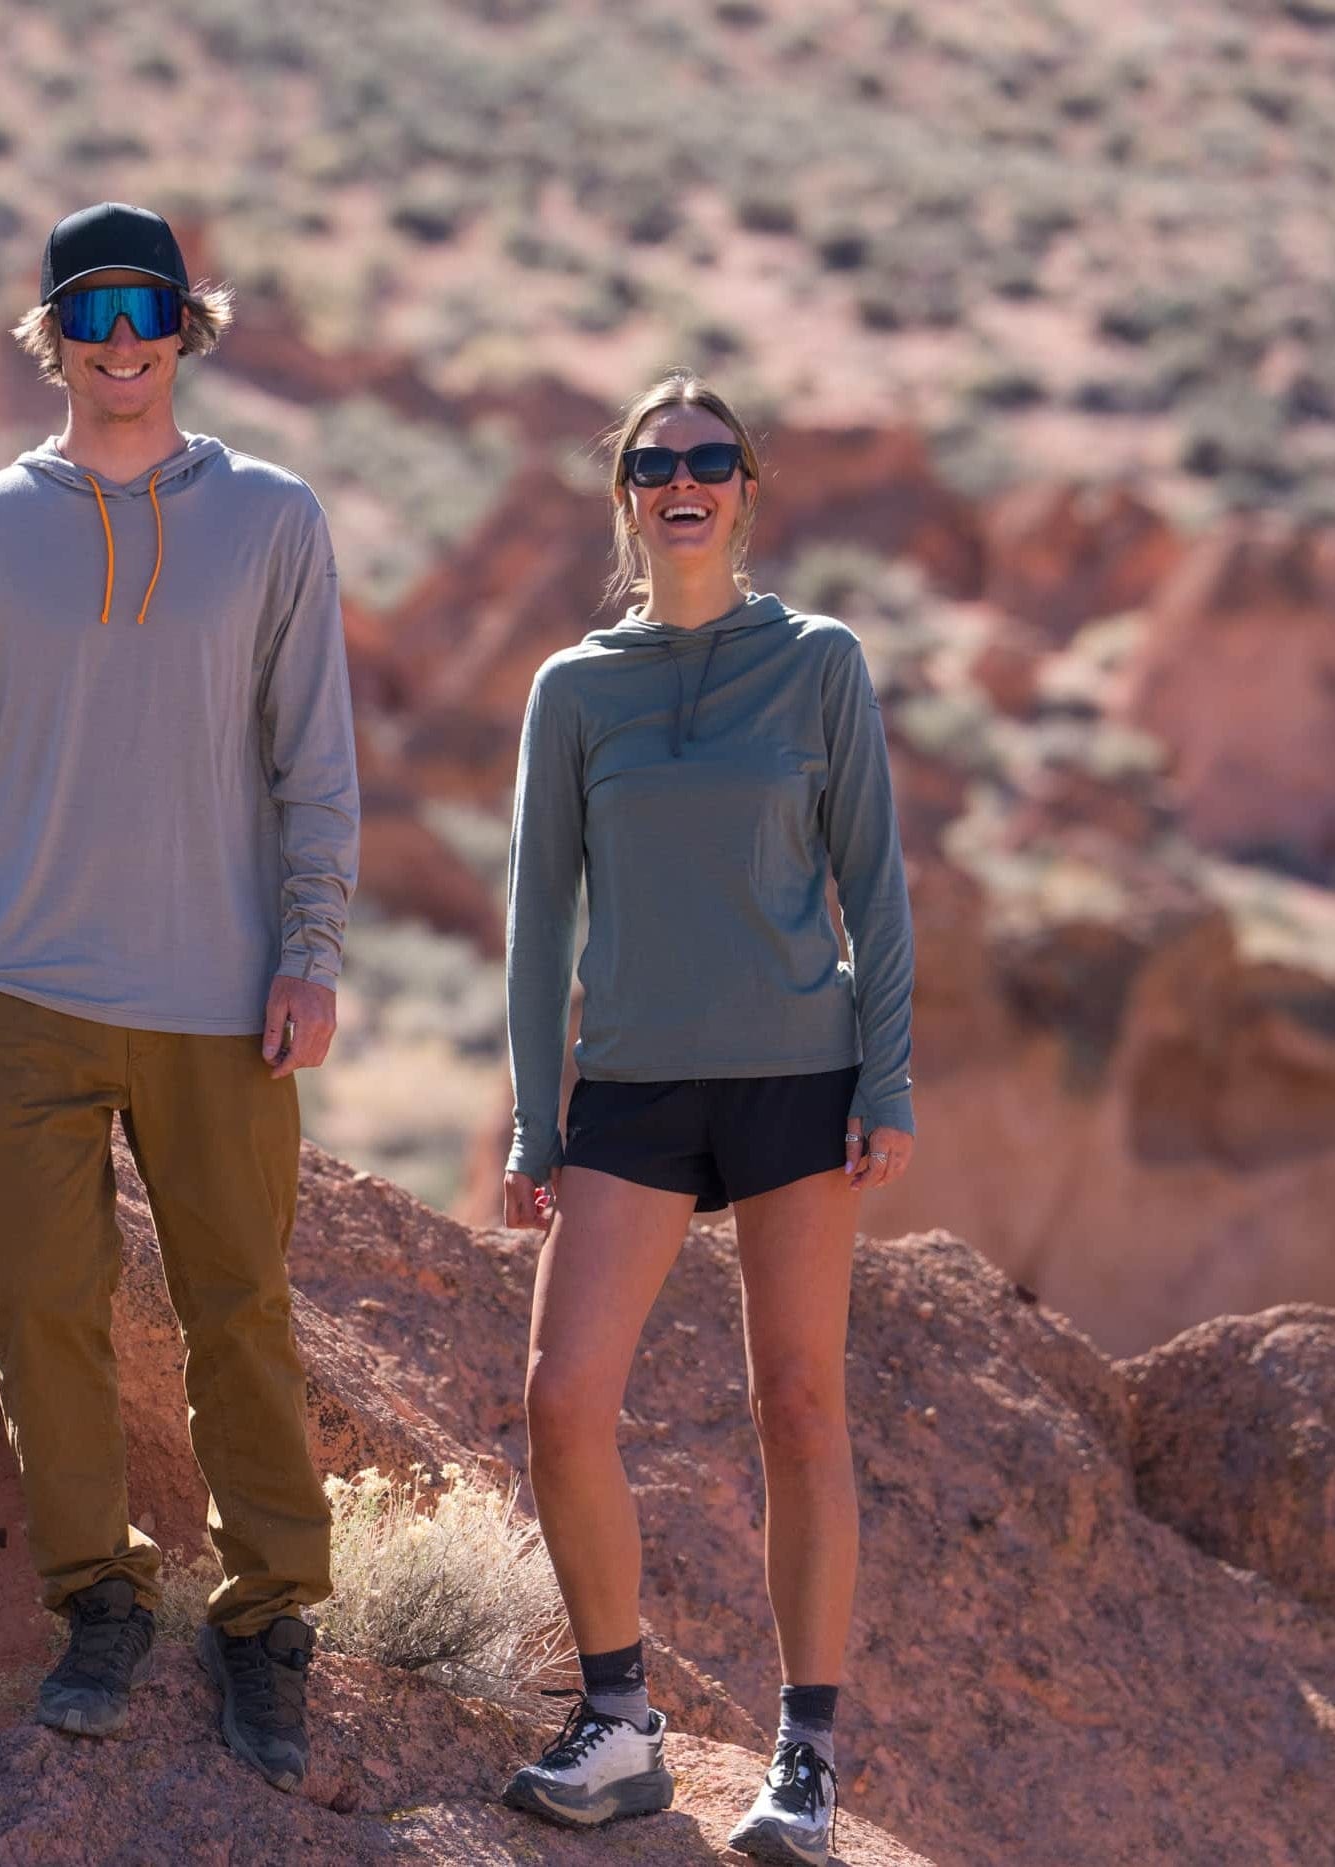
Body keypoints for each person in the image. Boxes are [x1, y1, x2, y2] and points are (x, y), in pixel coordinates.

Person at [0, 202, 359, 1793]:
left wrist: (311, 949)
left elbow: (316, 762)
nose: (122, 337)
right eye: (90, 314)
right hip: (20, 986)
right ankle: (97, 1596)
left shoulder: (273, 519)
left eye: (147, 306)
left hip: (222, 996)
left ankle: (269, 1616)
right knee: (42, 1311)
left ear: (187, 324)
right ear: (53, 341)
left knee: (242, 1310)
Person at [497, 372, 915, 1859]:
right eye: (654, 460)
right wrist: (534, 1122)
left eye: (711, 458)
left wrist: (890, 1075)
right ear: (624, 494)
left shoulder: (819, 665)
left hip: (799, 1077)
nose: (683, 478)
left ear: (748, 490)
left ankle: (804, 1761)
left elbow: (876, 882)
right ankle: (620, 1726)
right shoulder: (576, 688)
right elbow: (540, 914)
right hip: (634, 1086)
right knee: (562, 1398)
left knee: (799, 1407)